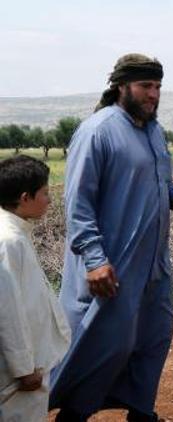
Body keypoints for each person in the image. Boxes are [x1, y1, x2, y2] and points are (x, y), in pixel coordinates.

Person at [49, 53, 173, 421]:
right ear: (121, 86)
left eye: (158, 87)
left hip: (153, 266)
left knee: (154, 339)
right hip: (113, 264)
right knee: (102, 344)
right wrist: (96, 260)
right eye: (146, 86)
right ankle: (73, 411)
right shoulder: (97, 131)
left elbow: (160, 179)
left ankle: (139, 409)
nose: (154, 94)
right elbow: (78, 203)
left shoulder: (154, 131)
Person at [0, 156, 71, 421]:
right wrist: (23, 368)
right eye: (44, 193)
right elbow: (7, 311)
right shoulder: (8, 241)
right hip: (17, 372)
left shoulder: (17, 233)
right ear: (24, 198)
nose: (49, 200)